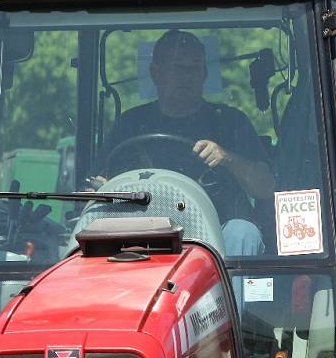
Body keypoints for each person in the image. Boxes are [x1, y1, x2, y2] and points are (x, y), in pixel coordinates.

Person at [104, 29, 274, 256]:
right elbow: (100, 181)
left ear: (204, 74)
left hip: (215, 243)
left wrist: (226, 157)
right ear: (156, 72)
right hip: (141, 236)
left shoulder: (230, 121)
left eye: (195, 67)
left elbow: (265, 187)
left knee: (242, 233)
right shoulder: (129, 124)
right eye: (177, 67)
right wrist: (101, 187)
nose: (187, 75)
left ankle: (235, 292)